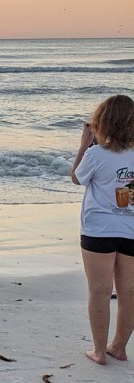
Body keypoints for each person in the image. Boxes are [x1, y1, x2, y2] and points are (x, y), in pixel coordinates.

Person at [71, 94, 134, 365]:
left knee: (99, 290)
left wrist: (84, 146)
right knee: (129, 291)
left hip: (99, 228)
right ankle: (118, 347)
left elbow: (77, 178)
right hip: (131, 228)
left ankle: (99, 351)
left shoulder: (96, 154)